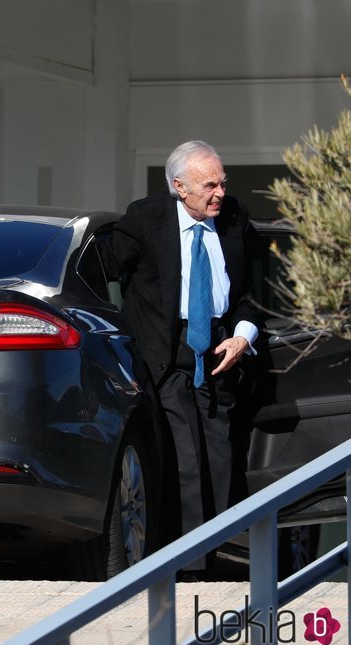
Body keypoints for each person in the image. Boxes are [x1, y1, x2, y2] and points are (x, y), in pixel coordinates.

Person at [100, 140, 261, 575]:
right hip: (165, 353)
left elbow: (249, 293)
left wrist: (243, 336)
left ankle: (223, 555)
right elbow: (103, 268)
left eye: (222, 183)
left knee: (221, 456)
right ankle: (190, 565)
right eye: (209, 185)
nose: (219, 193)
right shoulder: (144, 219)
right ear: (179, 187)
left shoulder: (234, 219)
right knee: (184, 456)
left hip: (221, 349)